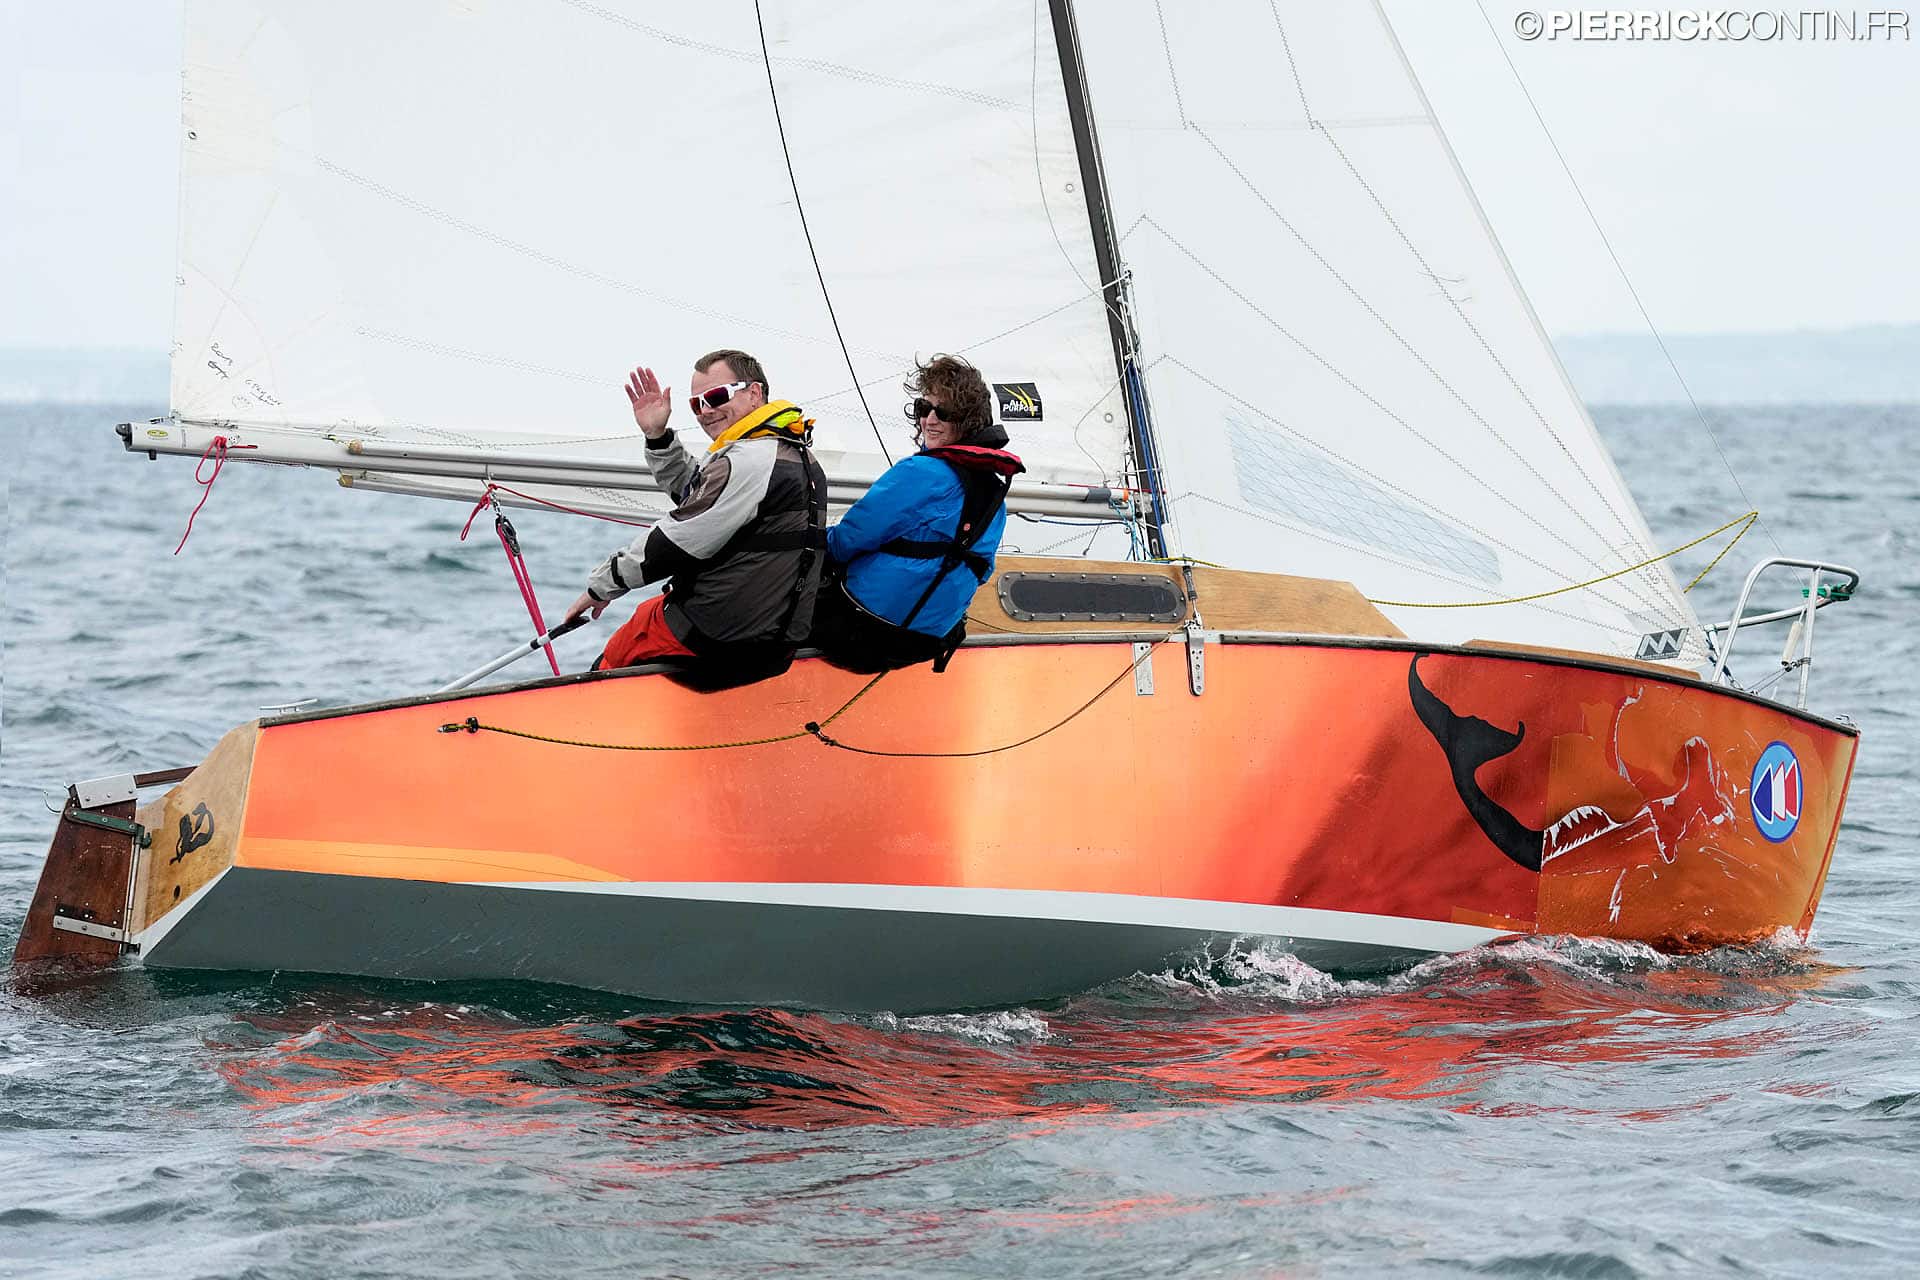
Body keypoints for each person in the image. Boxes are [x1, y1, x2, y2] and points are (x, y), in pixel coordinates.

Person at [563, 349, 827, 684]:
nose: (706, 411)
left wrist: (600, 588)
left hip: (719, 635)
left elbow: (673, 541)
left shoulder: (749, 461)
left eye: (716, 397)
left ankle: (589, 714)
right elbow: (702, 495)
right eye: (696, 404)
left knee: (627, 642)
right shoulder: (790, 452)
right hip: (776, 639)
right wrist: (658, 437)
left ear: (754, 393)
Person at [809, 354, 1025, 672]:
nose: (930, 420)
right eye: (923, 408)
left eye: (944, 412)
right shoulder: (995, 493)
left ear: (968, 421)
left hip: (862, 631)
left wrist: (805, 545)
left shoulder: (921, 472)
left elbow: (847, 540)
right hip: (926, 642)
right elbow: (983, 571)